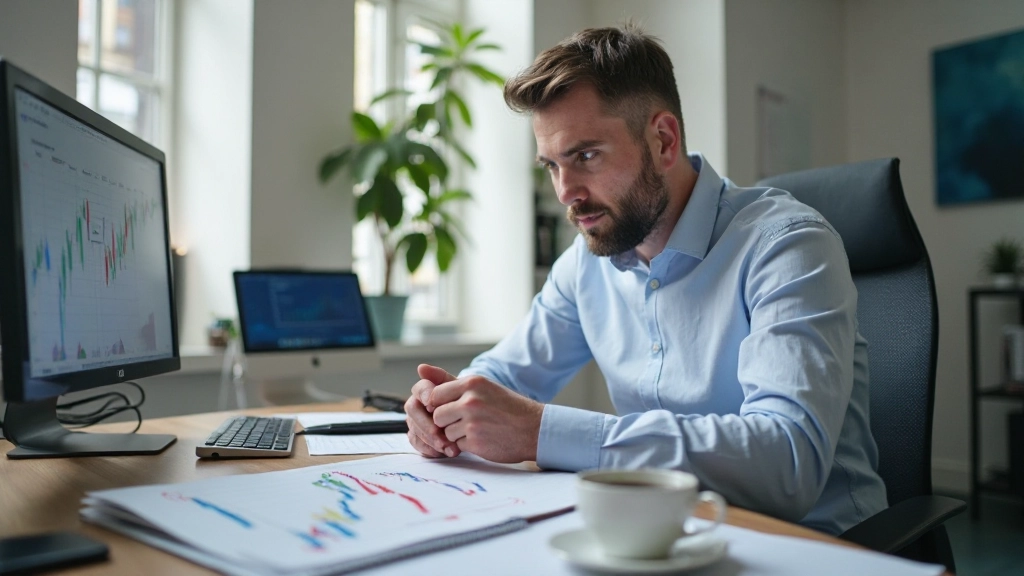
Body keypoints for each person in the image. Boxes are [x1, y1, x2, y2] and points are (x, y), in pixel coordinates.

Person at [403, 24, 887, 536]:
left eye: (585, 156)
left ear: (663, 140)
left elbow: (786, 462)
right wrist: (446, 410)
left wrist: (543, 431)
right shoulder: (586, 263)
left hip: (814, 546)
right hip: (661, 534)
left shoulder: (788, 246)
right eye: (551, 166)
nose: (565, 191)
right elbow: (507, 375)